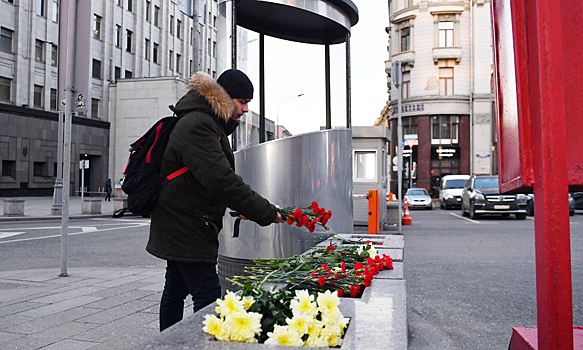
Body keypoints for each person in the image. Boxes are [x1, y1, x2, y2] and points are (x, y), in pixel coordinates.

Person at [146, 69, 284, 331]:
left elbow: (209, 180)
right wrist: (264, 211)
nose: (245, 110)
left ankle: (167, 344)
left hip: (185, 221)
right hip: (187, 224)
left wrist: (244, 208)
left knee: (175, 290)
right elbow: (221, 180)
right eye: (242, 102)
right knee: (209, 297)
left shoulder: (206, 123)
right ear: (225, 98)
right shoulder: (199, 125)